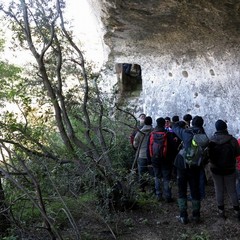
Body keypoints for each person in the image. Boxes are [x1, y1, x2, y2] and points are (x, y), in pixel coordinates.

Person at [172, 116, 207, 224]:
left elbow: (174, 127)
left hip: (182, 165)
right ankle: (196, 216)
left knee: (182, 190)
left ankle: (183, 216)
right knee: (195, 190)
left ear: (192, 123)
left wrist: (183, 122)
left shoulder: (186, 133)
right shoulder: (204, 136)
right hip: (195, 167)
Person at [208, 120, 240, 220]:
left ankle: (221, 212)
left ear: (216, 129)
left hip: (215, 169)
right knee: (232, 191)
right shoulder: (232, 140)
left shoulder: (211, 140)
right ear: (226, 127)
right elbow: (237, 153)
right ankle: (237, 212)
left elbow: (209, 155)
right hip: (229, 169)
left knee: (219, 190)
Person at [147, 117, 174, 202]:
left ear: (157, 123)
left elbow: (148, 148)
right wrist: (172, 159)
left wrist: (149, 159)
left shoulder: (152, 134)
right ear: (163, 124)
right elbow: (173, 147)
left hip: (154, 159)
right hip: (166, 160)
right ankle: (168, 196)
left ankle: (158, 195)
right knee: (166, 178)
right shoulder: (168, 133)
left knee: (157, 177)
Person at [133, 116, 154, 192]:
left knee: (141, 173)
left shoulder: (140, 132)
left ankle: (142, 189)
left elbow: (135, 144)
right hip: (152, 155)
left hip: (142, 155)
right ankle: (153, 190)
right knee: (152, 173)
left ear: (144, 122)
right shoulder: (154, 131)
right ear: (151, 122)